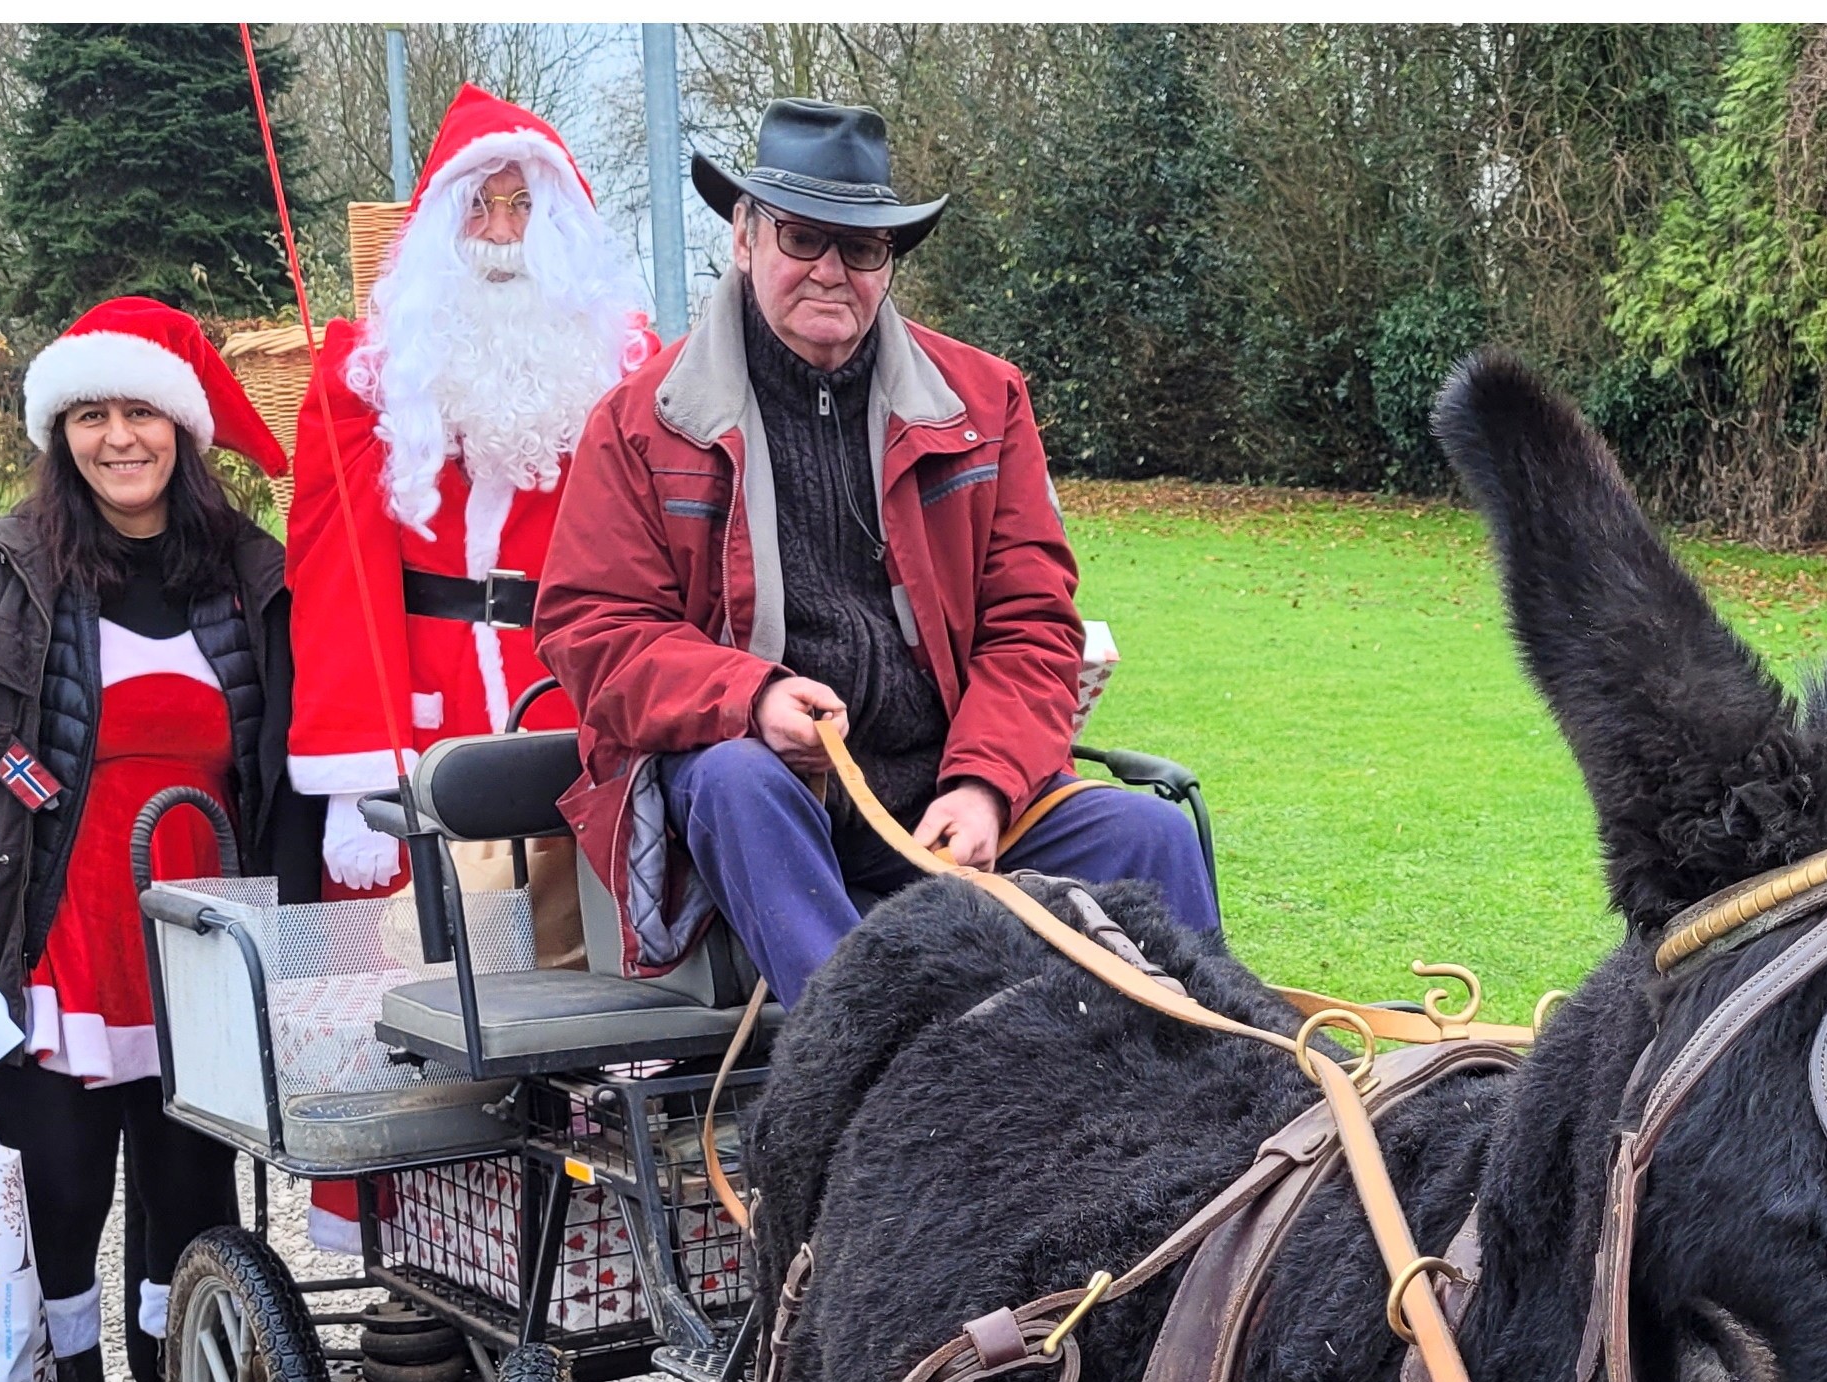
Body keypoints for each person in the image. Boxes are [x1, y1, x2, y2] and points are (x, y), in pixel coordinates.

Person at [536, 99, 1220, 1004]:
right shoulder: (637, 422)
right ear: (744, 237)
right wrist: (753, 695)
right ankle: (876, 1067)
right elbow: (594, 632)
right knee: (740, 778)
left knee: (1150, 837)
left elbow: (1031, 628)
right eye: (803, 238)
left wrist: (982, 787)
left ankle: (1215, 1098)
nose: (832, 271)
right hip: (768, 808)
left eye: (862, 249)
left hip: (944, 794)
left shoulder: (985, 403)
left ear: (888, 260)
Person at [0, 298, 300, 1382]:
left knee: (192, 1192)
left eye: (142, 414)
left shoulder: (248, 572)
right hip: (55, 937)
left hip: (202, 943)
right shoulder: (0, 580)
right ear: (61, 432)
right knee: (61, 1194)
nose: (120, 439)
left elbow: (284, 760)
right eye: (93, 416)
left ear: (184, 428)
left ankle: (180, 1379)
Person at [283, 82, 656, 1253]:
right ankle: (418, 1243)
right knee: (418, 981)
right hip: (422, 702)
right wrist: (361, 770)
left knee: (588, 974)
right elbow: (333, 576)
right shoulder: (362, 374)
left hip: (570, 691)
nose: (500, 233)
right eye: (479, 209)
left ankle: (577, 1233)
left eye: (521, 206)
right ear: (441, 228)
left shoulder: (628, 370)